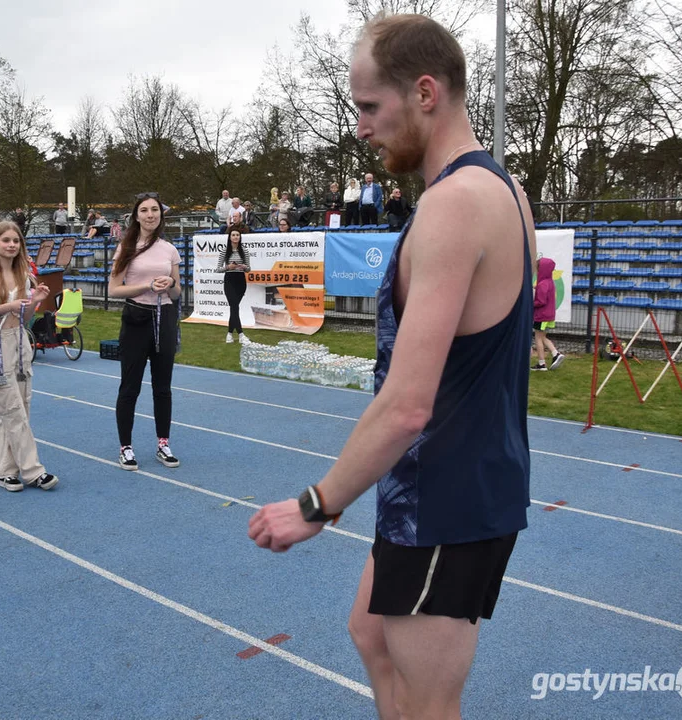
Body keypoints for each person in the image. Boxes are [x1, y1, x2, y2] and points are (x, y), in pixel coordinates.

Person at [248, 15, 534, 720]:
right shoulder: (499, 190)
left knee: (428, 702)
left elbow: (409, 403)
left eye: (369, 106)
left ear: (426, 93)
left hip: (448, 498)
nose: (360, 127)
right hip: (438, 488)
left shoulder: (456, 205)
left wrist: (316, 504)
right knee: (370, 635)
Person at [0, 222, 58, 491]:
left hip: (19, 345)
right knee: (13, 410)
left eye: (16, 241)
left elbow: (23, 317)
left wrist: (34, 301)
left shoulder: (23, 275)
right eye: (5, 240)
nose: (11, 245)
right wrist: (7, 305)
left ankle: (6, 471)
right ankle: (33, 471)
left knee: (20, 409)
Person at [108, 192, 182, 472]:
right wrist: (147, 286)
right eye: (144, 210)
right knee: (130, 387)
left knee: (163, 388)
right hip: (136, 319)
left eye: (155, 210)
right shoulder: (126, 248)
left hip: (165, 318)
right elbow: (114, 290)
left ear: (161, 215)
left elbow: (176, 292)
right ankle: (125, 447)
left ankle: (163, 443)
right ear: (136, 215)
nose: (150, 215)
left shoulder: (169, 250)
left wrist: (169, 283)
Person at [216, 224, 251, 345]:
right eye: (233, 235)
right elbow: (218, 269)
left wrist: (244, 267)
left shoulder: (244, 250)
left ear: (240, 237)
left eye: (237, 235)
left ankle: (230, 333)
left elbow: (249, 269)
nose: (235, 237)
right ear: (230, 237)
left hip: (241, 280)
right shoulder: (224, 251)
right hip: (229, 279)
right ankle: (241, 334)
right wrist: (228, 267)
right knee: (234, 306)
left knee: (234, 308)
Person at [531, 257, 560, 371]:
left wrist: (531, 304)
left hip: (541, 315)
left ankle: (543, 363)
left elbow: (541, 301)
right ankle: (555, 354)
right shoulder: (549, 282)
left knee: (538, 338)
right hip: (548, 314)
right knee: (542, 337)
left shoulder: (543, 283)